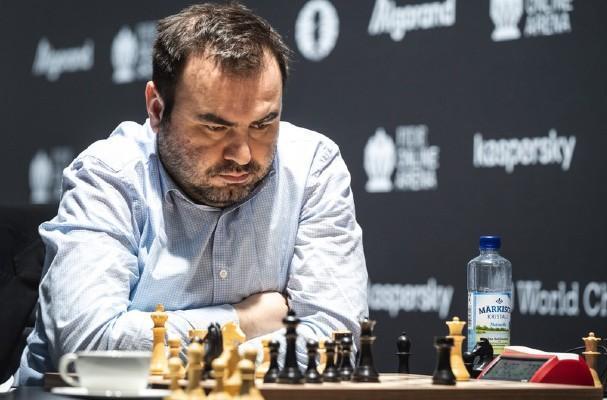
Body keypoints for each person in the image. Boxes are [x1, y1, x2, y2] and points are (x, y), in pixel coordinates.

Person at [18, 3, 368, 385]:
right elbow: (87, 350)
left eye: (263, 125)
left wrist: (192, 348)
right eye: (215, 128)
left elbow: (336, 340)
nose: (242, 155)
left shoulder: (313, 167)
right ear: (157, 108)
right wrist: (244, 320)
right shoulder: (109, 175)